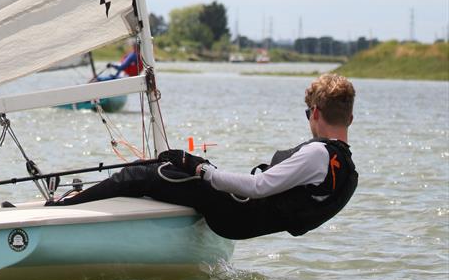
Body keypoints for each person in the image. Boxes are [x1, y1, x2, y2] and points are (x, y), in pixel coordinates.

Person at [51, 72, 357, 240]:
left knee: (144, 173)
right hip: (245, 220)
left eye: (308, 113)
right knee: (167, 170)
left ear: (315, 112)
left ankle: (62, 208)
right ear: (350, 118)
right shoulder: (345, 169)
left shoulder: (318, 154)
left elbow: (258, 187)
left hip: (236, 216)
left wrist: (200, 168)